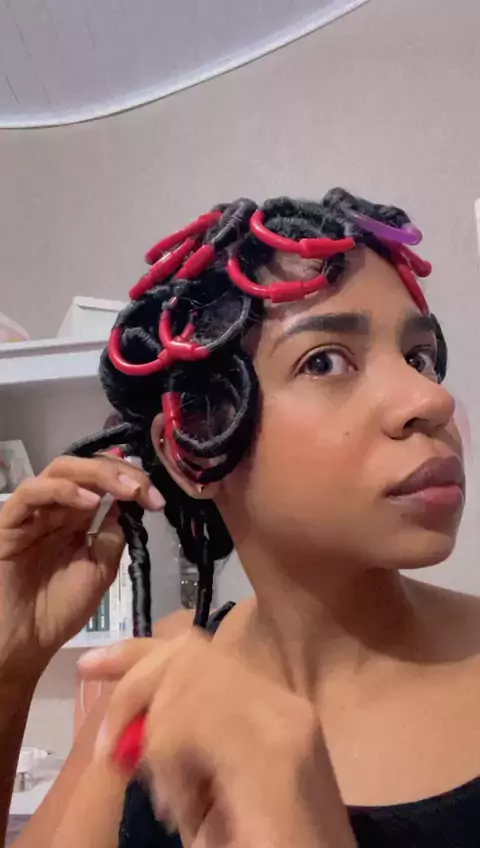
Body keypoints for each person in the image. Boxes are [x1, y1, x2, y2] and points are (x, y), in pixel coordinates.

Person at [0, 187, 477, 848]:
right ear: (193, 445)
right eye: (325, 361)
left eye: (420, 357)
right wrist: (10, 667)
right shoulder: (160, 689)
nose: (430, 398)